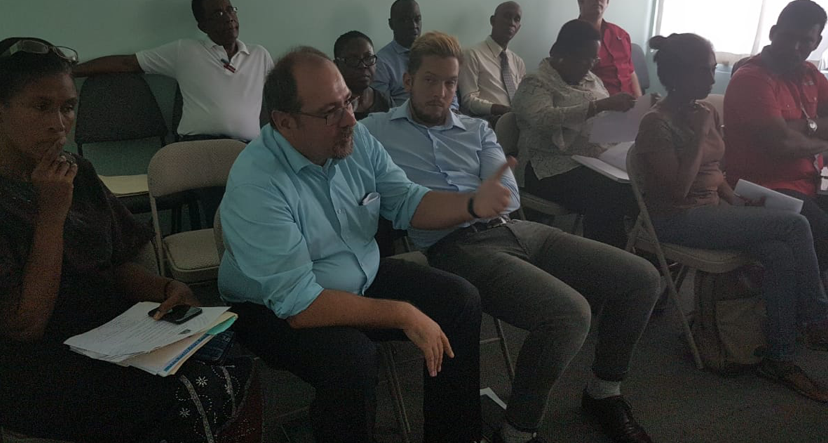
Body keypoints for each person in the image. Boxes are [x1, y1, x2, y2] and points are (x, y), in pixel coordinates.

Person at [0, 37, 260, 443]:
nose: (58, 123)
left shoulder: (75, 170)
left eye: (68, 107)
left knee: (227, 351)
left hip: (109, 337)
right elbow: (23, 322)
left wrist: (163, 288)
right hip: (28, 369)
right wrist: (51, 215)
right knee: (187, 393)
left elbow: (107, 262)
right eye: (40, 107)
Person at [363, 31, 660, 443]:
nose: (441, 93)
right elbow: (405, 204)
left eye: (450, 83)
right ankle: (518, 432)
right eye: (430, 81)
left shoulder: (475, 130)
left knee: (642, 278)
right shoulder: (374, 131)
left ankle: (604, 391)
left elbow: (508, 195)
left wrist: (478, 201)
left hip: (515, 228)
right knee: (569, 315)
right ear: (409, 81)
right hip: (454, 247)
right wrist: (474, 201)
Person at [218, 47, 516, 442]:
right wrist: (403, 314)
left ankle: (454, 436)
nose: (349, 119)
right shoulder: (257, 183)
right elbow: (299, 305)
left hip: (357, 274)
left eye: (348, 101)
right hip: (270, 306)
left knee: (459, 301)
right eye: (330, 112)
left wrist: (472, 204)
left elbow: (407, 201)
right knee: (352, 359)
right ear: (284, 121)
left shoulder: (354, 139)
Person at [635, 32, 828, 402]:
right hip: (675, 218)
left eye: (713, 70)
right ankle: (818, 315)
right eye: (704, 71)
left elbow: (715, 171)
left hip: (711, 211)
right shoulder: (656, 123)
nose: (712, 79)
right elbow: (677, 192)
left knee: (779, 253)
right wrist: (697, 137)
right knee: (795, 224)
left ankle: (780, 357)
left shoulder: (705, 111)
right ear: (677, 75)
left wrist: (734, 199)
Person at [74, 0, 273, 143]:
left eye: (230, 10)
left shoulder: (259, 55)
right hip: (199, 145)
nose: (229, 18)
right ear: (203, 26)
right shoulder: (184, 51)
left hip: (248, 148)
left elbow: (282, 94)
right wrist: (70, 71)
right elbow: (128, 63)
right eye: (218, 13)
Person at [724, 0, 828, 279]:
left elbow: (790, 137)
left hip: (809, 183)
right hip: (762, 189)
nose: (795, 48)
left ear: (817, 42)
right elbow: (781, 145)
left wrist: (802, 127)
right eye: (788, 37)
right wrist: (822, 138)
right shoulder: (752, 78)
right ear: (772, 33)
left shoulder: (810, 74)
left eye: (805, 41)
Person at [513, 19, 638, 247]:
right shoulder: (535, 82)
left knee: (636, 186)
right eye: (583, 58)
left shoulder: (592, 79)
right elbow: (544, 119)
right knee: (606, 194)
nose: (589, 66)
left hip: (593, 160)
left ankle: (640, 251)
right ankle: (607, 259)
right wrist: (599, 106)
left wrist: (627, 115)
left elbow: (604, 116)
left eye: (594, 59)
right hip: (547, 166)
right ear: (560, 52)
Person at [373, 0, 460, 110]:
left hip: (443, 115)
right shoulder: (381, 62)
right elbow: (383, 107)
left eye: (417, 19)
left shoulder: (436, 54)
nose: (413, 25)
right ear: (391, 24)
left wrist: (451, 114)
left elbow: (452, 100)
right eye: (405, 20)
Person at [459, 1, 527, 125]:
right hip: (490, 121)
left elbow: (523, 99)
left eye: (516, 19)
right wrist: (500, 109)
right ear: (493, 21)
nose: (511, 22)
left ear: (518, 27)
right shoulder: (472, 54)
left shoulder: (518, 62)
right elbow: (468, 100)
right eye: (507, 16)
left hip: (519, 122)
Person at [577, 0, 642, 98]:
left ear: (607, 1)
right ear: (581, 0)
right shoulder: (572, 36)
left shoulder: (621, 35)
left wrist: (640, 103)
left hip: (631, 104)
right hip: (599, 104)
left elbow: (630, 72)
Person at [333, 30, 392, 120]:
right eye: (353, 60)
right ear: (336, 65)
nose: (363, 65)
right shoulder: (330, 106)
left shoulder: (385, 102)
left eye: (368, 58)